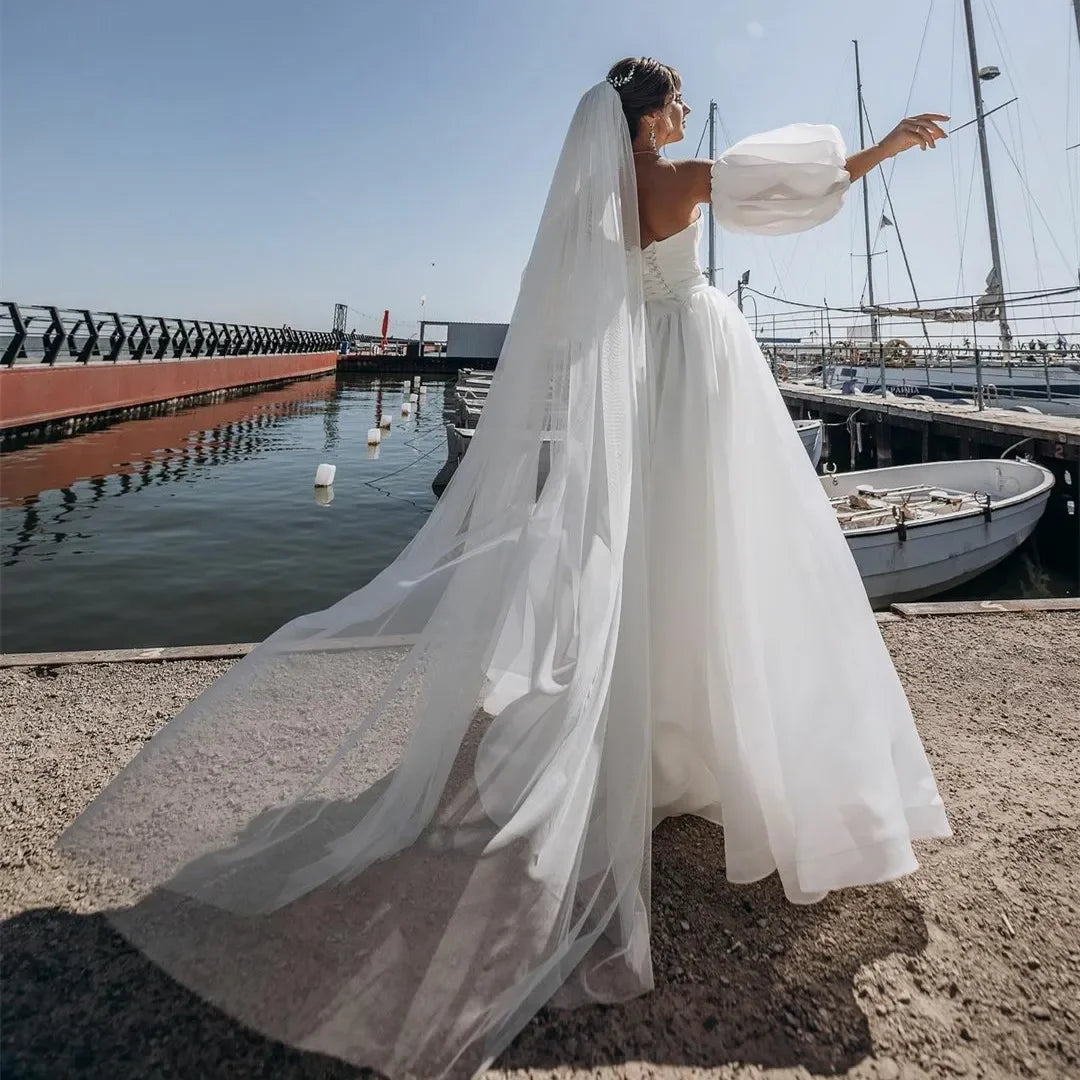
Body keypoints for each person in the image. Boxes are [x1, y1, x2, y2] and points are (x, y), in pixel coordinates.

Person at [62, 60, 951, 1079]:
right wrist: (882, 149)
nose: (686, 111)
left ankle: (660, 735)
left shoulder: (596, 205)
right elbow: (796, 193)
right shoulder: (681, 174)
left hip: (647, 378)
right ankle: (720, 741)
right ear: (646, 115)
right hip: (701, 368)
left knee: (662, 547)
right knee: (729, 546)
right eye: (674, 100)